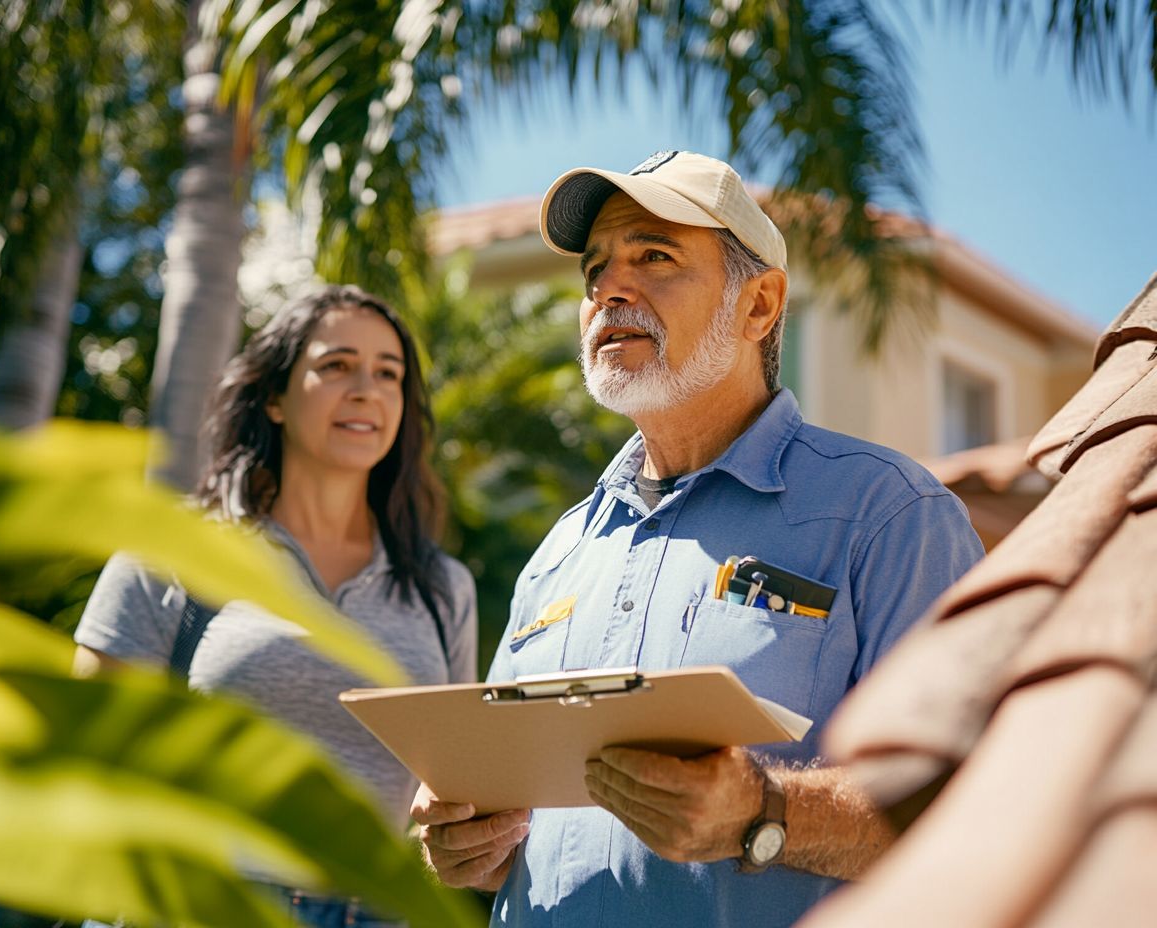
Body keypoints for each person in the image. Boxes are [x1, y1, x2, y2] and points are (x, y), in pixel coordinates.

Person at [412, 151, 984, 928]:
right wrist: (468, 839)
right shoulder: (558, 552)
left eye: (654, 256)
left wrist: (763, 811)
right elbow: (510, 821)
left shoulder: (890, 514)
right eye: (595, 272)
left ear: (759, 306)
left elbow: (978, 804)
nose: (610, 289)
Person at [72, 284, 478, 927]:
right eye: (336, 365)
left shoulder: (440, 586)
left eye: (388, 373)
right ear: (274, 398)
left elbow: (450, 778)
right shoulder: (173, 551)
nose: (366, 389)